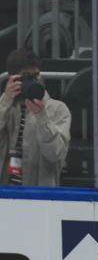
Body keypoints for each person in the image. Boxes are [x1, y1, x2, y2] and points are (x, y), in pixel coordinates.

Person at [0, 47, 70, 186]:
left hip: (41, 193)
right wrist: (5, 100)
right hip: (5, 191)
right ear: (13, 79)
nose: (34, 80)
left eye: (36, 74)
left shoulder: (58, 109)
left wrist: (41, 116)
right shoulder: (6, 108)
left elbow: (55, 154)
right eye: (27, 76)